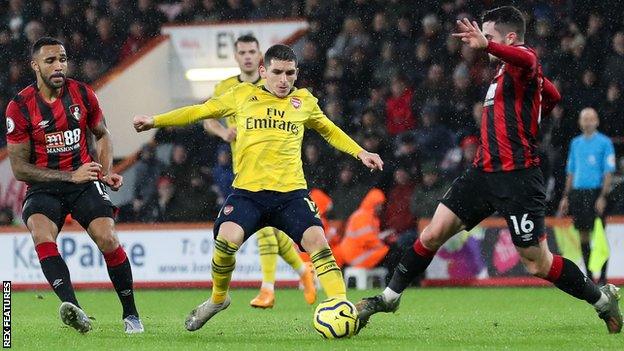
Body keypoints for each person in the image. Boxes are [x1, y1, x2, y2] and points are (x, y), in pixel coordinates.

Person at [355, 6, 622, 334]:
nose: (481, 41)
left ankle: (600, 299)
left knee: (536, 262)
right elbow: (551, 95)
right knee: (433, 232)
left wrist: (491, 48)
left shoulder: (522, 59)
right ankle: (389, 297)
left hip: (519, 176)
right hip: (483, 172)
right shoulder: (504, 74)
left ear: (509, 38)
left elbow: (529, 62)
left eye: (489, 35)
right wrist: (532, 109)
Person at [133, 44, 384, 331]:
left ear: (296, 73)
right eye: (277, 72)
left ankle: (341, 305)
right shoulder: (241, 95)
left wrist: (360, 152)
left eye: (290, 73)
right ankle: (217, 299)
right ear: (263, 71)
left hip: (291, 195)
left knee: (317, 241)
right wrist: (155, 120)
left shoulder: (304, 102)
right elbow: (200, 111)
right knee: (226, 242)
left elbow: (329, 129)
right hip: (248, 194)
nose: (283, 80)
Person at [4, 37, 143, 334]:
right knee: (41, 233)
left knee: (107, 238)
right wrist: (71, 176)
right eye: (50, 61)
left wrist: (106, 172)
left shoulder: (82, 94)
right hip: (44, 186)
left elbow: (102, 134)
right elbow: (19, 168)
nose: (58, 66)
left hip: (84, 184)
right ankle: (74, 308)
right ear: (35, 65)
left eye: (63, 59)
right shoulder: (19, 107)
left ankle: (131, 315)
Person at [203, 34, 316, 308]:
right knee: (273, 232)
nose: (248, 56)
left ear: (260, 57)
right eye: (242, 52)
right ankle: (304, 271)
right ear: (236, 56)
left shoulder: (275, 85)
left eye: (252, 51)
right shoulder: (228, 87)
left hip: (276, 171)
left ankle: (268, 289)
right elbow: (207, 117)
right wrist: (223, 132)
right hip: (241, 169)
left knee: (266, 229)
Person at [558, 108, 614, 285]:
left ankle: (603, 277)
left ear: (597, 121)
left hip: (596, 192)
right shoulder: (575, 143)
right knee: (583, 235)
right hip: (578, 193)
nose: (587, 122)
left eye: (591, 118)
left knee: (599, 236)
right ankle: (589, 276)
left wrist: (603, 196)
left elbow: (608, 172)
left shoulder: (605, 143)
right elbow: (571, 172)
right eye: (584, 119)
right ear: (580, 122)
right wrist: (566, 196)